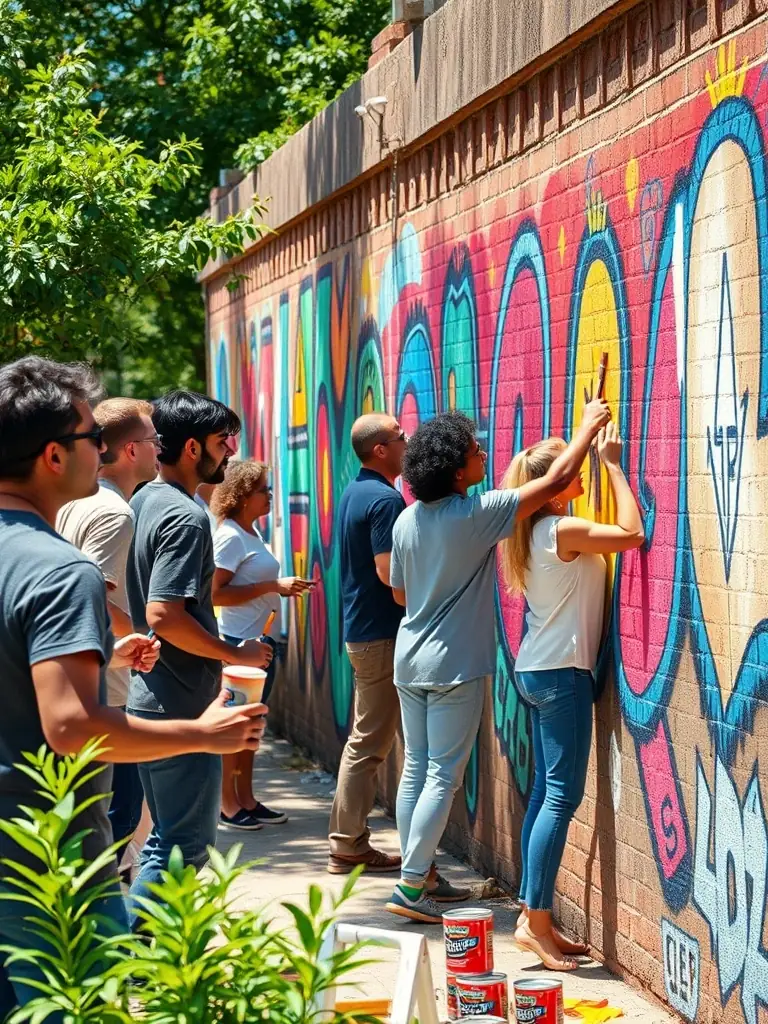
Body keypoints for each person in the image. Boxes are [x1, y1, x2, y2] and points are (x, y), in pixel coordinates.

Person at [0, 357, 269, 1015]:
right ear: (54, 456)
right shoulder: (60, 570)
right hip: (43, 857)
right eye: (94, 438)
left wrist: (92, 646)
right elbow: (72, 728)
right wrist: (203, 734)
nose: (108, 451)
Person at [385, 400, 611, 924]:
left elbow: (399, 594)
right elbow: (555, 481)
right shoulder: (475, 513)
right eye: (473, 450)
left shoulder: (406, 520)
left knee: (418, 767)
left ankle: (418, 875)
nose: (483, 453)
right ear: (455, 469)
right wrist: (585, 430)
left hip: (408, 658)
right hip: (454, 666)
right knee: (442, 773)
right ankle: (412, 885)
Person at [125, 391, 274, 926]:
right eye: (220, 442)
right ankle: (138, 962)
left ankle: (148, 958)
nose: (229, 452)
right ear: (191, 448)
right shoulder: (186, 517)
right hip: (178, 706)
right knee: (182, 846)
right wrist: (235, 651)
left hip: (156, 699)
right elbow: (164, 614)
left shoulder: (144, 499)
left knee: (167, 839)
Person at [500, 421, 643, 970]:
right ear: (552, 487)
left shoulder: (536, 532)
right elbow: (633, 535)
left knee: (545, 793)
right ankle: (536, 921)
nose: (577, 471)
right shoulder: (560, 531)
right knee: (562, 796)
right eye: (569, 469)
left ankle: (532, 917)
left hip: (540, 672)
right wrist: (611, 462)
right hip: (560, 676)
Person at [56, 398, 161, 872]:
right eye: (155, 440)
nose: (161, 448)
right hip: (110, 686)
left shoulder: (72, 500)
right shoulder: (115, 513)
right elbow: (94, 590)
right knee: (112, 824)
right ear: (131, 450)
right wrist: (138, 638)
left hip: (88, 673)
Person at [211, 459, 313, 830]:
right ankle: (226, 803)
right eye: (262, 490)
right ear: (241, 497)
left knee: (252, 725)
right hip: (237, 646)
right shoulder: (229, 537)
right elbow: (215, 594)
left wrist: (280, 586)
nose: (269, 496)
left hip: (259, 643)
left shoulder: (250, 533)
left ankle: (246, 799)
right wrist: (273, 586)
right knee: (233, 726)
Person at [326, 414, 407, 876]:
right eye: (400, 438)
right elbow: (386, 571)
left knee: (368, 739)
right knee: (369, 742)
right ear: (380, 448)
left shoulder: (356, 491)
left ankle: (348, 839)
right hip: (381, 635)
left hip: (367, 632)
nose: (406, 444)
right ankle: (347, 843)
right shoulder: (384, 499)